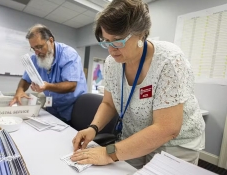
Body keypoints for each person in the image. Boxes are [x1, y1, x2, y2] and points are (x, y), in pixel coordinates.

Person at [71, 0, 205, 169]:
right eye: (106, 41)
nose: (111, 50)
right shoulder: (112, 63)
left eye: (118, 41)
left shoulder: (169, 59)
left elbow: (167, 128)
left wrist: (108, 153)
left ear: (141, 33)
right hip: (132, 136)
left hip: (174, 144)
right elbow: (108, 103)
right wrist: (93, 128)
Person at [10, 24, 87, 124]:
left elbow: (71, 85)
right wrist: (19, 91)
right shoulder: (35, 58)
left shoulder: (68, 54)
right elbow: (25, 79)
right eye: (33, 48)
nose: (37, 52)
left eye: (39, 47)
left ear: (50, 41)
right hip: (53, 107)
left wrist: (47, 86)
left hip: (73, 108)